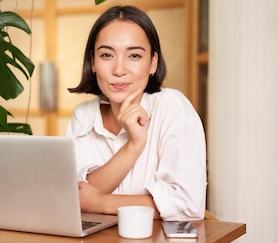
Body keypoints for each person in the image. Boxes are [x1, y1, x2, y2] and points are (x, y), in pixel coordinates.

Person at [66, 5, 206, 221]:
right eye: (106, 55)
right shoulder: (83, 116)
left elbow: (187, 205)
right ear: (93, 62)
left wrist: (100, 203)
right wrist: (133, 146)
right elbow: (77, 194)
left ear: (153, 63)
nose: (119, 70)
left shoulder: (173, 107)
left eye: (134, 55)